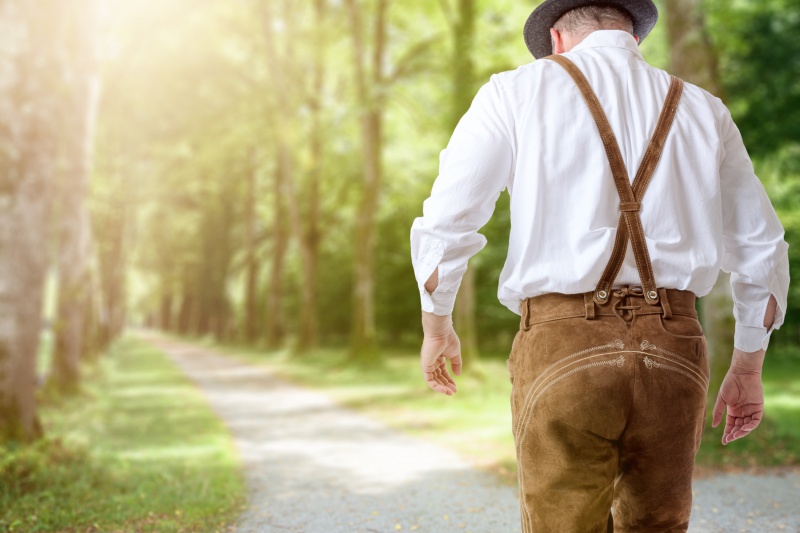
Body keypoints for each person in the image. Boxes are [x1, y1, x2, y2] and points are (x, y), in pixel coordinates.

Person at [409, 0, 790, 531]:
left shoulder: (514, 91)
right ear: (634, 37)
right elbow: (763, 247)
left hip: (562, 343)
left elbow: (448, 221)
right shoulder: (703, 108)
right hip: (675, 344)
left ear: (558, 39)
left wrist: (437, 324)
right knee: (658, 523)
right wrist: (748, 367)